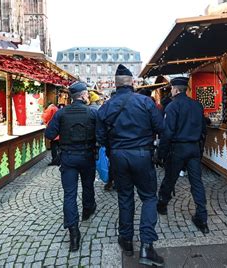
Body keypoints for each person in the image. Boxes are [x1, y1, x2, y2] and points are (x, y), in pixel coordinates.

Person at [97, 64, 165, 267]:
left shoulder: (105, 106)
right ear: (132, 83)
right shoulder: (145, 102)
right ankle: (146, 246)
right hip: (142, 155)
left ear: (116, 85)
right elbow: (161, 128)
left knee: (125, 197)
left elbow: (100, 137)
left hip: (118, 156)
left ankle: (126, 240)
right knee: (149, 198)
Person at [45, 82, 98, 252]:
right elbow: (101, 134)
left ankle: (74, 233)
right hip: (87, 156)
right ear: (83, 96)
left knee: (69, 194)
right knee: (88, 185)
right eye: (87, 95)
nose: (88, 97)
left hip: (68, 157)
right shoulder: (92, 112)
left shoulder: (61, 113)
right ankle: (87, 210)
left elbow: (49, 134)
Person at [156, 77, 209, 234]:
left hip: (178, 148)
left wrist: (161, 153)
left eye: (171, 88)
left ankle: (162, 204)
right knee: (197, 182)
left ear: (175, 89)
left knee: (170, 178)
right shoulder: (197, 105)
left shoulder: (173, 106)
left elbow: (168, 132)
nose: (171, 91)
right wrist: (199, 150)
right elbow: (203, 130)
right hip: (193, 148)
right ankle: (202, 217)